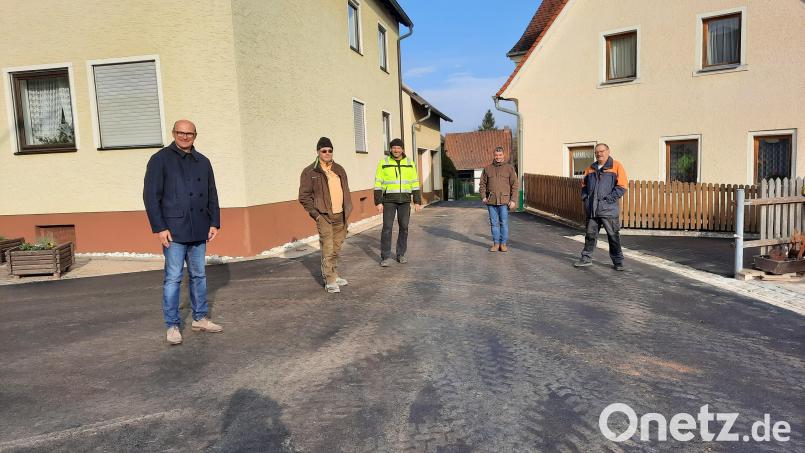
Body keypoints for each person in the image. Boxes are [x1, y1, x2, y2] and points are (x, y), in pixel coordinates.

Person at [143, 120, 223, 345]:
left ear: (195, 135)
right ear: (173, 133)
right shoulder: (160, 160)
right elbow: (151, 196)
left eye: (189, 134)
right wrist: (159, 227)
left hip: (199, 227)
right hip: (174, 231)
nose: (185, 137)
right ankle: (172, 325)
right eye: (181, 133)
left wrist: (214, 222)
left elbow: (212, 194)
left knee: (199, 275)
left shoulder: (203, 162)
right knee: (173, 278)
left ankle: (199, 318)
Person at [299, 137, 353, 293]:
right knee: (328, 249)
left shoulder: (339, 169)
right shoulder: (310, 171)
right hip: (324, 216)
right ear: (318, 152)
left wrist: (348, 209)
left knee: (337, 248)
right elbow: (304, 196)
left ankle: (335, 275)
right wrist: (315, 214)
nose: (327, 153)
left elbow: (345, 190)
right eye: (324, 150)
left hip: (341, 215)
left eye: (330, 150)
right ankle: (329, 280)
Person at [574, 143, 628, 271]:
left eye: (602, 151)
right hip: (592, 210)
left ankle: (618, 262)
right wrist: (586, 198)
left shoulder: (616, 166)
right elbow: (583, 186)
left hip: (608, 210)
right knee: (590, 235)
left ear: (608, 151)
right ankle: (586, 258)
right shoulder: (590, 168)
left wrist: (608, 200)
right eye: (597, 152)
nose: (599, 154)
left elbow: (622, 186)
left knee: (613, 236)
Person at [374, 138, 422, 267]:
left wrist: (417, 201)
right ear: (391, 149)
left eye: (398, 147)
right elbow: (378, 183)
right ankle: (385, 256)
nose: (396, 150)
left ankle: (401, 254)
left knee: (404, 227)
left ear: (402, 149)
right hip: (389, 200)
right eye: (394, 147)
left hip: (405, 201)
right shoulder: (383, 163)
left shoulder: (410, 163)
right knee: (387, 228)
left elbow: (415, 183)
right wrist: (378, 202)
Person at [480, 146, 519, 252]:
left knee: (504, 223)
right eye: (496, 155)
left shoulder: (509, 168)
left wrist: (513, 200)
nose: (498, 157)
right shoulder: (487, 168)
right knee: (494, 223)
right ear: (494, 155)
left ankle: (503, 244)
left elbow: (515, 185)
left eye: (500, 155)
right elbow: (482, 184)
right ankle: (496, 244)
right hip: (491, 201)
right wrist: (483, 196)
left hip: (504, 201)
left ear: (503, 155)